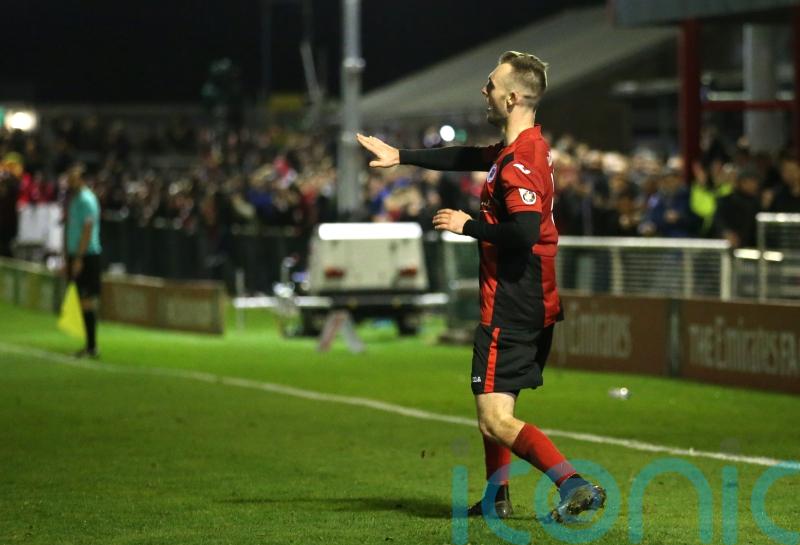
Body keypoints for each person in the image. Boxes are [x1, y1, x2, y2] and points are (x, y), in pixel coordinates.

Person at [357, 51, 605, 523]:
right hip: (531, 293)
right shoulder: (522, 148)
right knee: (493, 407)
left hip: (514, 296)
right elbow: (470, 158)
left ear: (512, 97)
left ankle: (573, 483)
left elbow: (525, 233)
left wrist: (469, 226)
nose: (483, 91)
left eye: (490, 85)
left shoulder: (520, 160)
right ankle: (497, 498)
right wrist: (402, 156)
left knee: (495, 417)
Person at [63, 164, 102, 358]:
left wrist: (78, 258)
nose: (70, 181)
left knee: (87, 300)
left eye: (74, 177)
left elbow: (87, 231)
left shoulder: (87, 200)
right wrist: (66, 257)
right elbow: (69, 228)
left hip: (87, 255)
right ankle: (89, 345)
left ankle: (92, 346)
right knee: (81, 299)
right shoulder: (73, 200)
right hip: (75, 254)